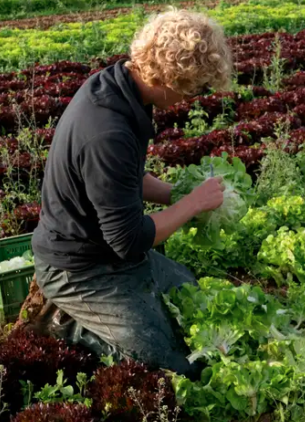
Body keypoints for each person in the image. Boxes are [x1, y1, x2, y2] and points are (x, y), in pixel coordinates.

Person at [30, 9, 233, 379]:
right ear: (173, 77)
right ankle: (67, 323)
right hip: (78, 268)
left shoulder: (119, 88)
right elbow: (129, 240)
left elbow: (124, 179)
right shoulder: (109, 131)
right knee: (168, 363)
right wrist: (194, 203)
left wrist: (177, 194)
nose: (194, 97)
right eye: (196, 87)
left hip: (104, 248)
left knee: (190, 294)